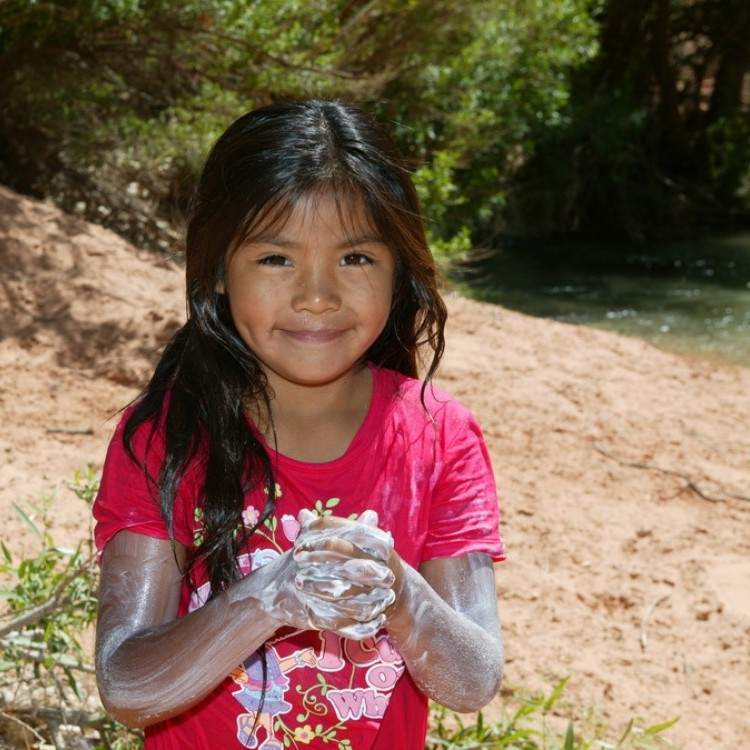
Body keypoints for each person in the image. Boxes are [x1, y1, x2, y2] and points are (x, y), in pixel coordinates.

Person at [93, 98, 505, 750]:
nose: (317, 295)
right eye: (275, 259)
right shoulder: (168, 438)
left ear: (398, 272)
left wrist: (402, 594)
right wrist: (270, 597)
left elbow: (473, 680)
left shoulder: (440, 435)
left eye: (356, 258)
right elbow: (126, 683)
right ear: (218, 273)